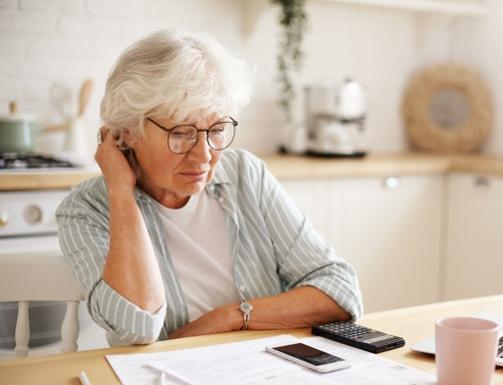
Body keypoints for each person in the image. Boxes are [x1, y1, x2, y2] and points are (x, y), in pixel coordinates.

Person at [56, 30, 363, 346]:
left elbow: (340, 291)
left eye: (216, 130)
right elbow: (137, 326)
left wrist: (230, 317)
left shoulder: (245, 175)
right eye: (181, 133)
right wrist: (121, 192)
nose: (204, 155)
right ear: (128, 132)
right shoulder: (86, 209)